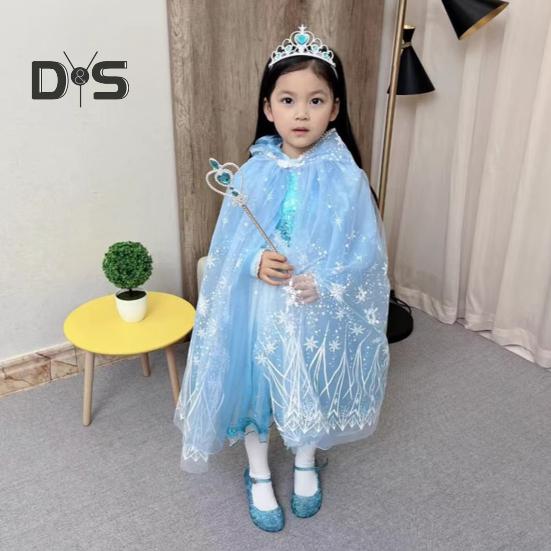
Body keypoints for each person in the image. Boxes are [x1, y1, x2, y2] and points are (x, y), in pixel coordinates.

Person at [173, 24, 391, 532]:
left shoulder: (347, 177)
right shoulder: (251, 173)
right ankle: (257, 470)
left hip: (314, 306)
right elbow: (227, 247)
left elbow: (364, 252)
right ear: (268, 108)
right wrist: (254, 262)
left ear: (334, 109)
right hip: (258, 305)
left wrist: (327, 282)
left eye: (316, 101)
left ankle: (306, 460)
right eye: (288, 100)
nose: (301, 113)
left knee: (308, 377)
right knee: (256, 385)